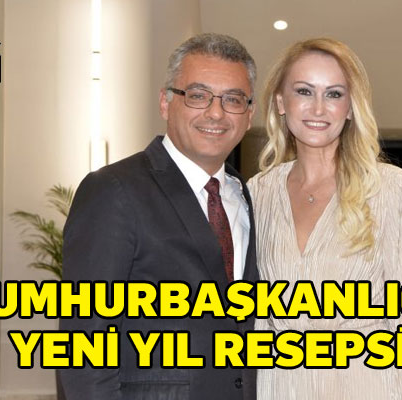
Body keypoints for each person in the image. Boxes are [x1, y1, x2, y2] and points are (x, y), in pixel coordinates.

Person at [60, 33, 259, 400]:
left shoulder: (244, 196)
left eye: (233, 99)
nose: (216, 113)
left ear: (249, 115)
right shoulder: (114, 190)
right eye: (197, 95)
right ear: (166, 102)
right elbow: (84, 344)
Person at [248, 38, 402, 399]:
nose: (318, 108)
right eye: (304, 91)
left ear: (350, 108)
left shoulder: (390, 187)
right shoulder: (259, 191)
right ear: (280, 102)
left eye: (334, 94)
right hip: (280, 384)